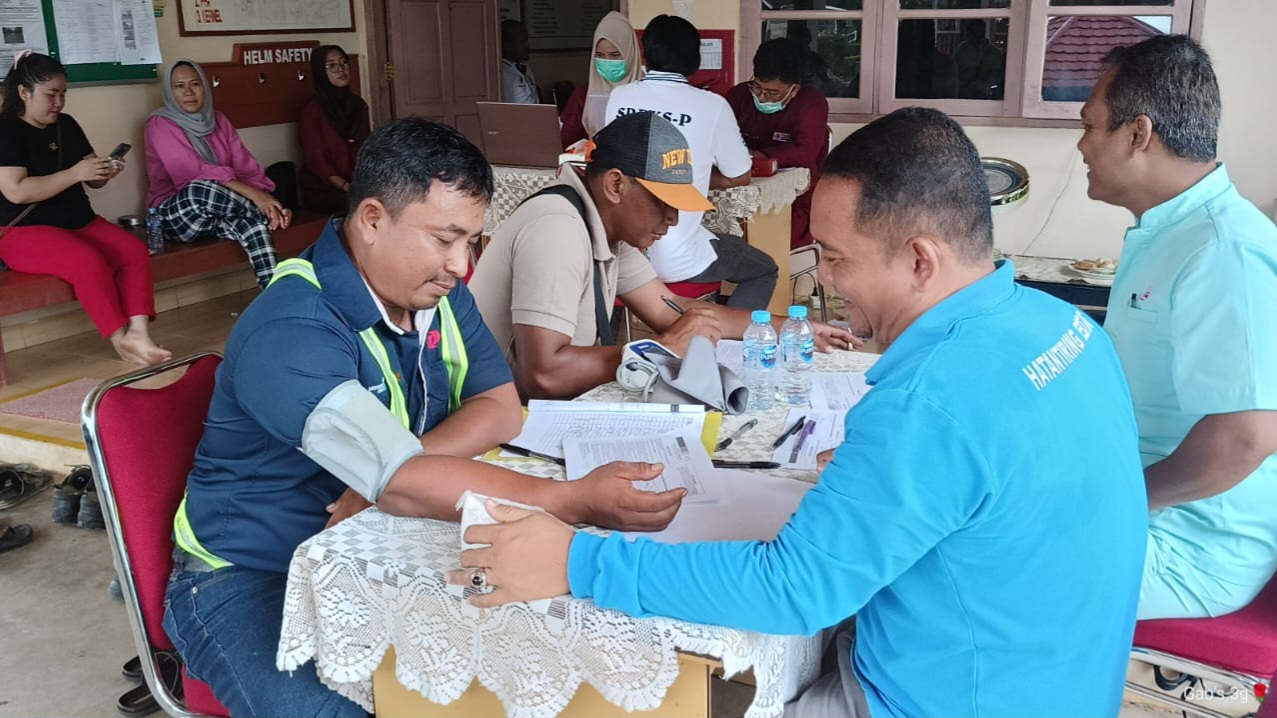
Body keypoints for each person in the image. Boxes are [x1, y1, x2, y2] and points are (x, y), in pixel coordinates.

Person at [455, 108, 1150, 718]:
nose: (827, 279)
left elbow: (793, 590)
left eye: (835, 258)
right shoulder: (1067, 328)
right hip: (1061, 685)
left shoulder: (929, 401)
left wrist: (577, 559)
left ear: (919, 260)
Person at [161, 117, 686, 718]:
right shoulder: (293, 328)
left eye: (471, 242)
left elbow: (500, 410)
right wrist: (567, 499)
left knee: (523, 663)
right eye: (444, 239)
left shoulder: (434, 293)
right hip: (249, 576)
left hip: (373, 550)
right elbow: (405, 481)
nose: (461, 265)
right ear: (372, 219)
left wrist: (389, 472)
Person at [1078, 35, 1277, 620]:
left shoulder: (1224, 250)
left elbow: (1247, 434)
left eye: (1090, 126)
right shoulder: (1171, 231)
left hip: (1189, 543)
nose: (1082, 145)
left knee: (968, 563)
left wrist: (1116, 503)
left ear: (1137, 134)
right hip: (1146, 497)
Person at [470, 111, 855, 400]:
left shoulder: (606, 226)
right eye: (662, 203)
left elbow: (674, 309)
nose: (673, 219)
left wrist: (787, 328)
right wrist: (660, 349)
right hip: (503, 412)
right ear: (616, 185)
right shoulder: (557, 226)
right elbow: (543, 375)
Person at [0, 51, 170, 365]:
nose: (59, 103)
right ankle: (121, 340)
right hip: (22, 230)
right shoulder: (6, 130)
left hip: (79, 221)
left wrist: (103, 172)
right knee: (87, 261)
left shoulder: (66, 124)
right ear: (24, 92)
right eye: (51, 95)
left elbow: (92, 179)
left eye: (63, 94)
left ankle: (139, 333)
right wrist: (75, 173)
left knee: (133, 251)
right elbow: (16, 191)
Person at [606, 15, 777, 310]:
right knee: (764, 270)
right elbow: (740, 175)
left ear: (645, 55)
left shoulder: (619, 97)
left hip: (622, 257)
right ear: (696, 59)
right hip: (678, 260)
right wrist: (690, 174)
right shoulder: (711, 105)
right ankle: (730, 333)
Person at [145, 60, 289, 290]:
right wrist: (259, 199)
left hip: (219, 213)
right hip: (176, 217)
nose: (189, 92)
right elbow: (190, 171)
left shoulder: (219, 120)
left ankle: (275, 296)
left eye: (195, 84)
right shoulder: (159, 124)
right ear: (169, 92)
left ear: (205, 86)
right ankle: (268, 214)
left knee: (253, 227)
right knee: (199, 188)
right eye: (179, 86)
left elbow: (246, 167)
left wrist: (262, 195)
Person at [727, 38, 829, 249]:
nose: (763, 98)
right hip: (738, 188)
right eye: (757, 88)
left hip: (793, 198)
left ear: (794, 89)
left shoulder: (811, 103)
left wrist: (760, 156)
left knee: (765, 241)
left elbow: (805, 152)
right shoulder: (738, 96)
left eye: (773, 93)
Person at [299, 44, 371, 215]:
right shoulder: (313, 110)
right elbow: (317, 160)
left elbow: (367, 146)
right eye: (332, 65)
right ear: (320, 72)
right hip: (325, 187)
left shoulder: (358, 105)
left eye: (344, 62)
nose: (341, 69)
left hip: (356, 181)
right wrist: (347, 187)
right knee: (363, 208)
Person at [559, 12, 644, 147]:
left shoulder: (648, 92)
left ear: (630, 53)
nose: (607, 61)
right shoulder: (583, 95)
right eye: (600, 55)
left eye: (615, 55)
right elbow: (564, 140)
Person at [953, 19, 1005, 100]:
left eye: (976, 31)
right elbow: (954, 70)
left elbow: (996, 77)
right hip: (964, 94)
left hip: (985, 95)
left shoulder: (995, 53)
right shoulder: (962, 49)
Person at [500, 20, 539, 104]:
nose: (528, 44)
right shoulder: (501, 73)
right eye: (523, 41)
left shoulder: (524, 67)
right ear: (507, 45)